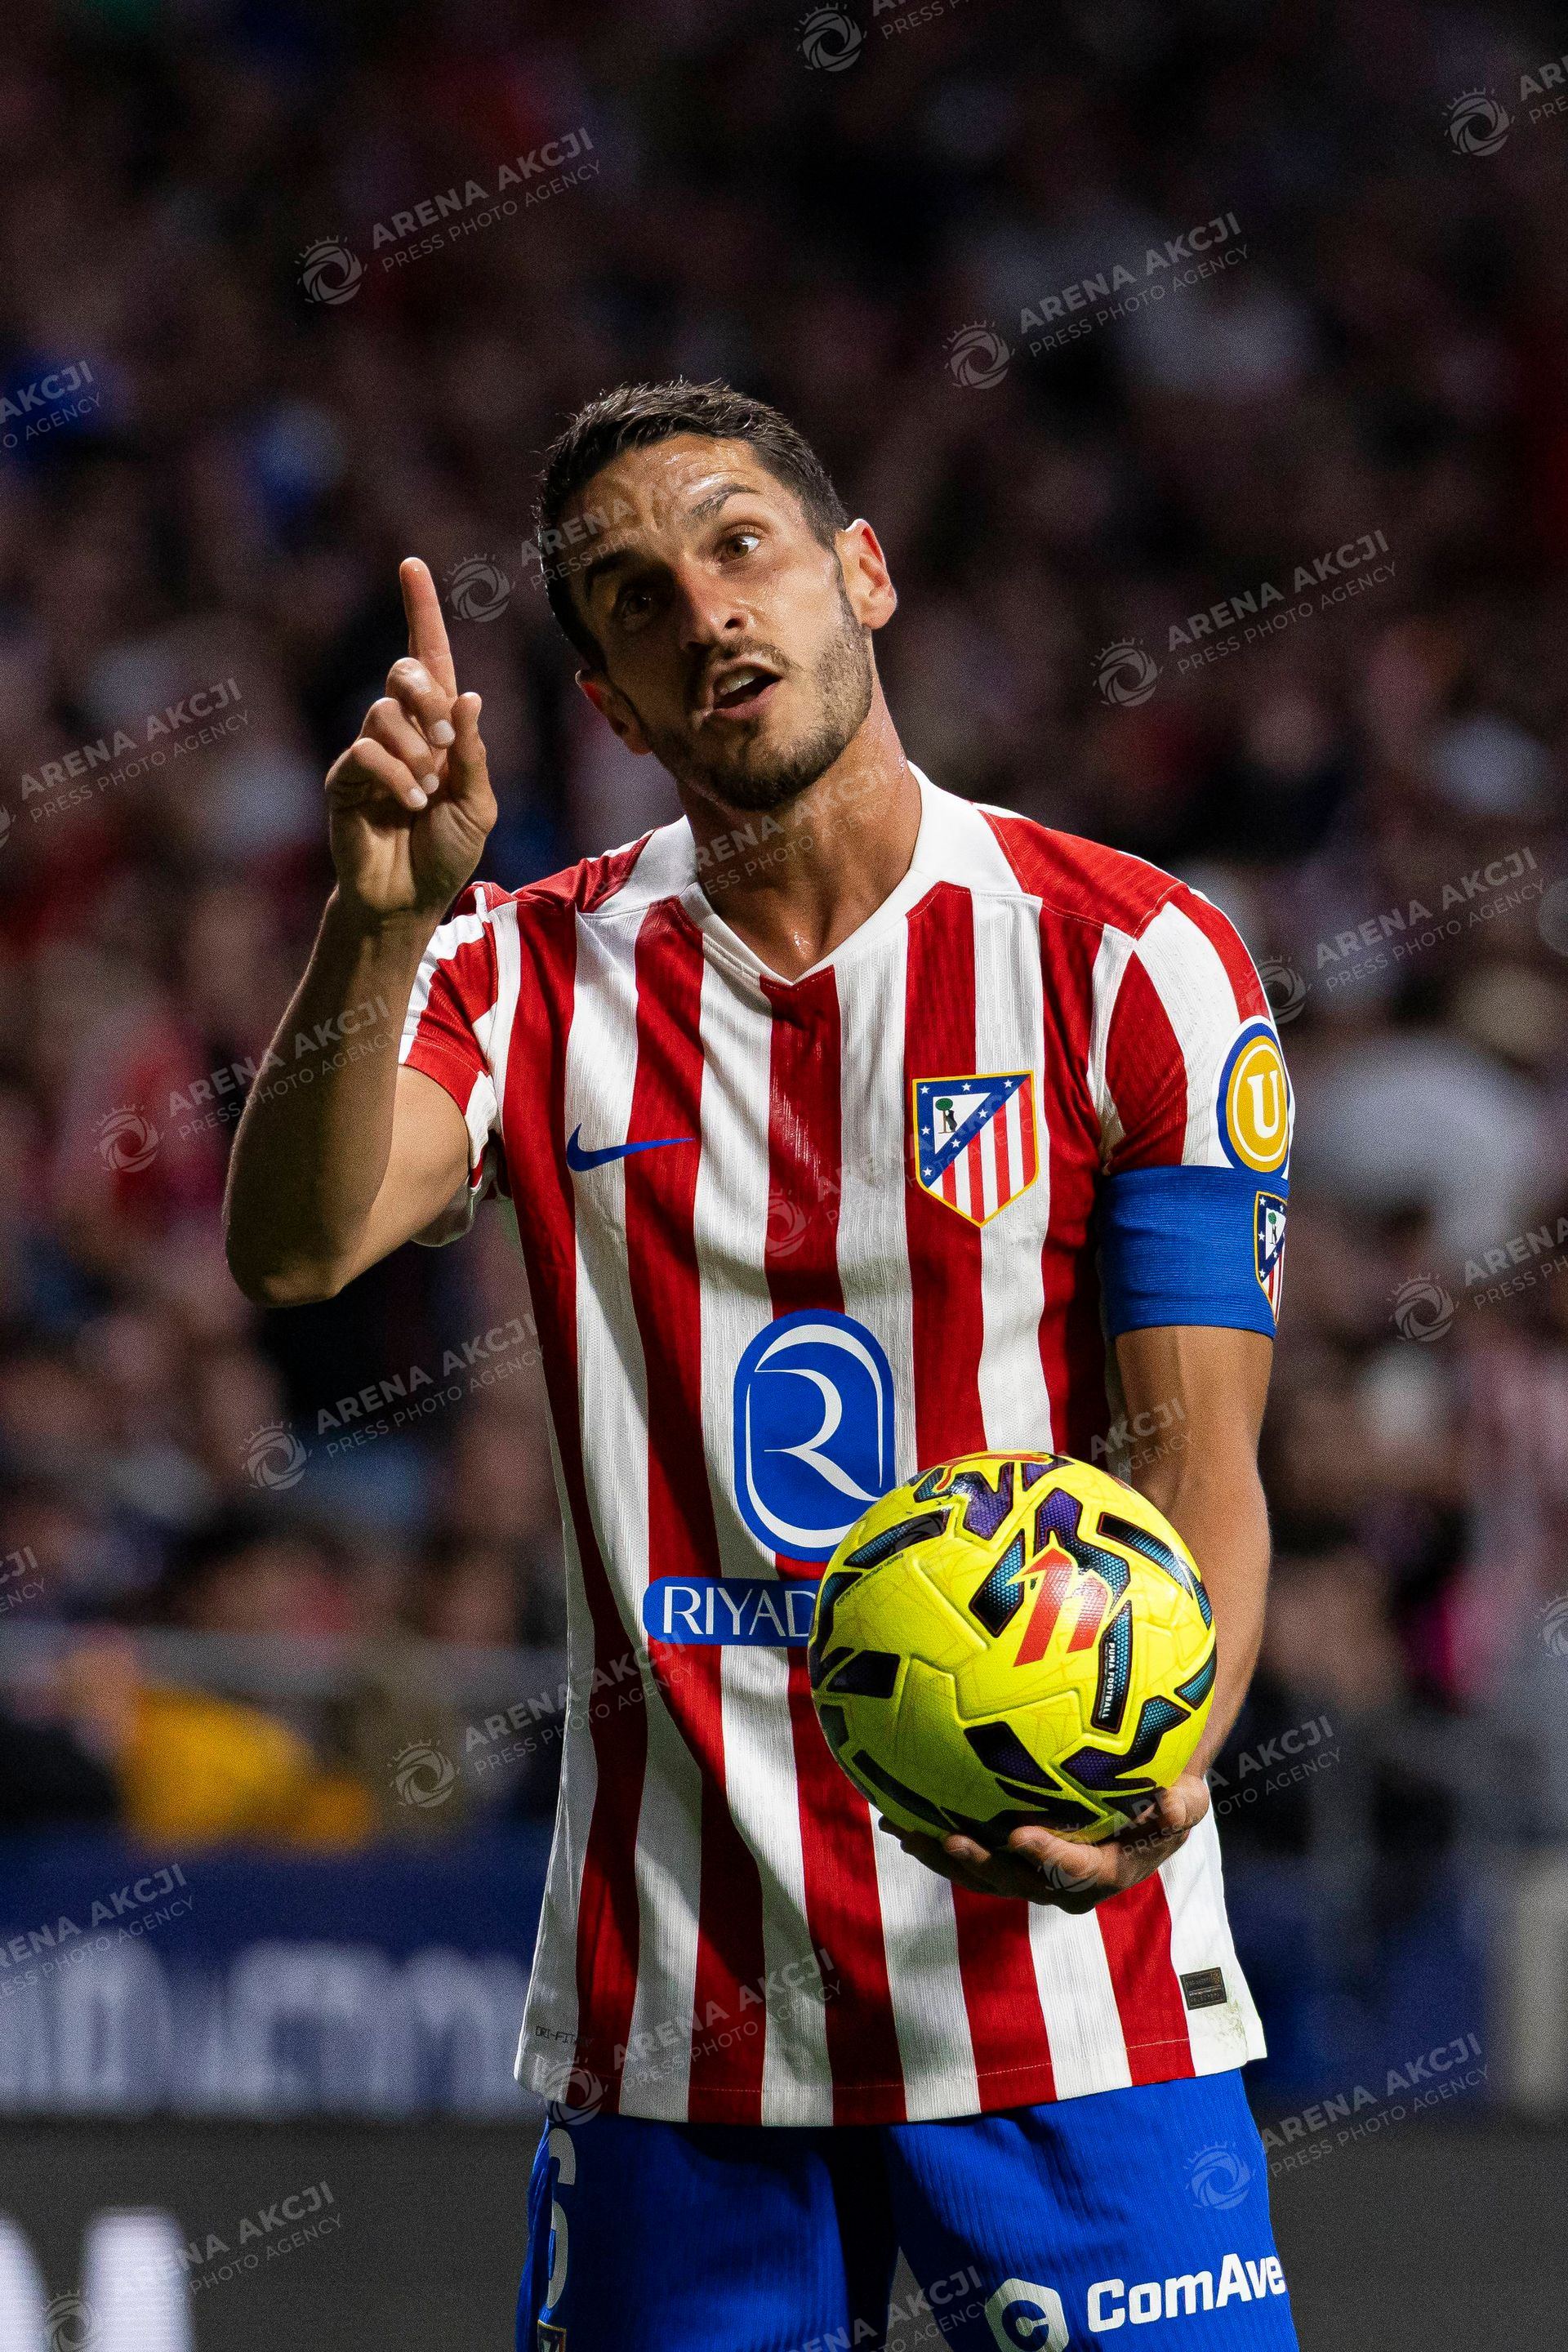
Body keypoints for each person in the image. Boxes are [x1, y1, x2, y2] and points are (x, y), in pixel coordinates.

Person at [225, 381, 1298, 2350]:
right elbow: (297, 1244)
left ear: (859, 573)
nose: (705, 611)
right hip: (679, 2028)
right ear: (614, 710)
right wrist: (377, 926)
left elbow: (1200, 1467)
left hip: (1071, 2000)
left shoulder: (1133, 960)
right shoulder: (518, 970)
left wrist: (1167, 1767)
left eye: (741, 546)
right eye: (636, 602)